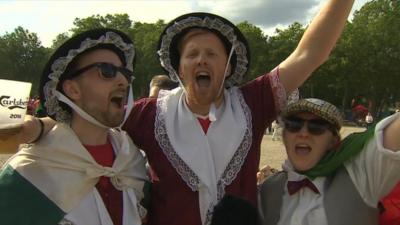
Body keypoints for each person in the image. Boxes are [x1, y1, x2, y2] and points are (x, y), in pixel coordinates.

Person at [17, 1, 356, 224]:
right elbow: (89, 119)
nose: (202, 60)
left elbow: (310, 54)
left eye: (212, 53)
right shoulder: (148, 114)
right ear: (178, 67)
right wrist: (37, 127)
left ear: (228, 66)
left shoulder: (254, 101)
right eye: (192, 54)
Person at [0, 28, 148, 225]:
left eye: (125, 74)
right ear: (72, 89)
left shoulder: (131, 161)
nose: (122, 81)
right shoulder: (28, 174)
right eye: (107, 71)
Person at [258, 98, 400, 225]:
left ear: (333, 141)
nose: (303, 133)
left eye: (316, 127)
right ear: (284, 136)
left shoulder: (360, 175)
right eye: (294, 125)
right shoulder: (269, 189)